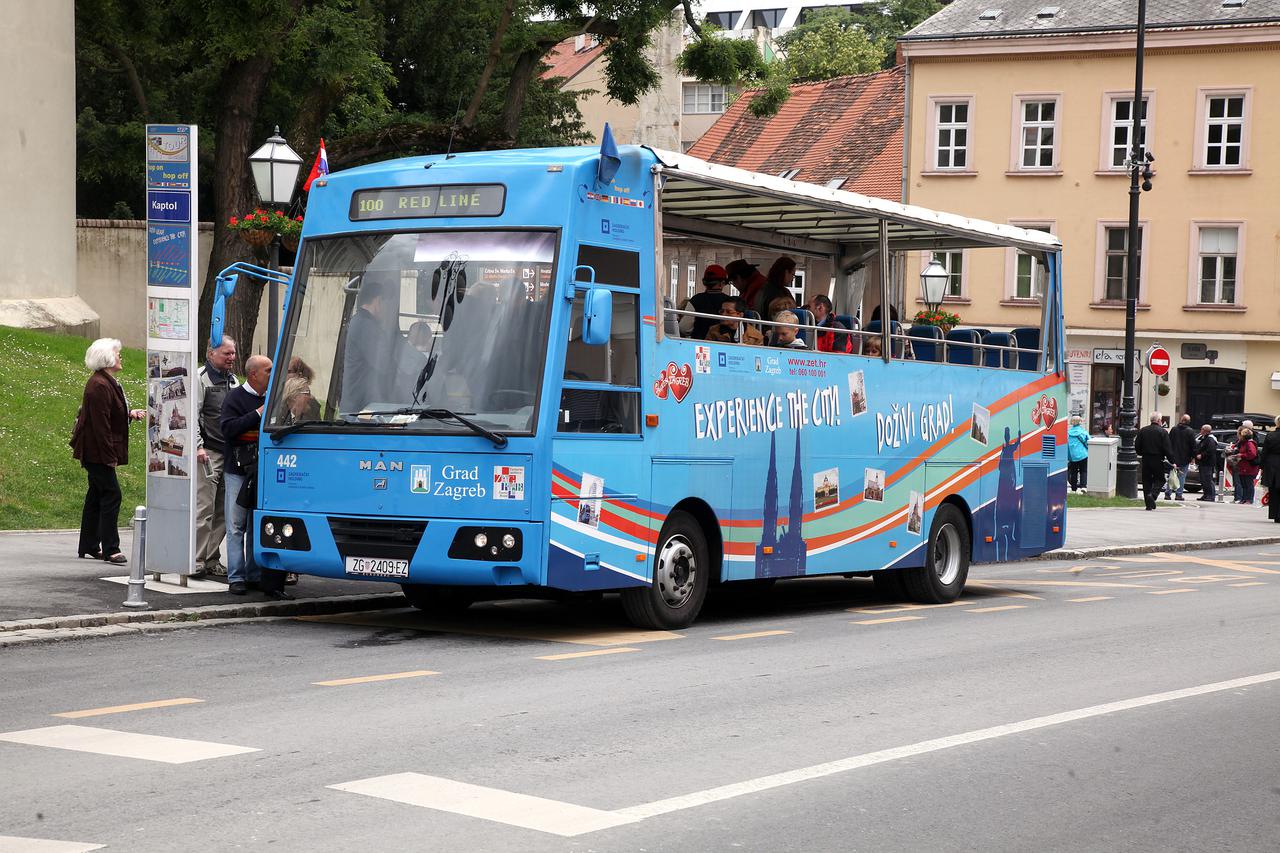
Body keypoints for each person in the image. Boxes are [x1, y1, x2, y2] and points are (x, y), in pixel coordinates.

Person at [219, 355, 289, 598]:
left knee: (255, 524)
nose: (273, 374)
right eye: (268, 370)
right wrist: (259, 413)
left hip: (263, 470)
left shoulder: (273, 399)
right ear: (253, 374)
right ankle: (236, 577)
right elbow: (228, 429)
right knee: (236, 525)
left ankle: (254, 574)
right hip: (238, 471)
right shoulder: (235, 398)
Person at [70, 338, 145, 564]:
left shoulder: (105, 382)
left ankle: (89, 545)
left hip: (96, 451)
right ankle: (111, 548)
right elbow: (100, 426)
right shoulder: (100, 385)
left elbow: (109, 414)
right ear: (107, 358)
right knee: (112, 494)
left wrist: (129, 414)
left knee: (97, 494)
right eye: (117, 353)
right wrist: (109, 457)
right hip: (96, 453)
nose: (120, 356)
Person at [341, 271, 421, 411]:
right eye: (386, 304)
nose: (386, 310)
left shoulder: (360, 322)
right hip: (361, 410)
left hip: (362, 405)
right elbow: (385, 364)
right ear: (378, 301)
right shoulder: (366, 326)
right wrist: (414, 371)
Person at [193, 336, 239, 578]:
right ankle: (196, 559)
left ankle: (211, 558)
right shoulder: (200, 378)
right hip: (208, 453)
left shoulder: (233, 380)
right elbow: (193, 415)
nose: (232, 358)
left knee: (223, 508)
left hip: (228, 452)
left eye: (233, 353)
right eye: (226, 353)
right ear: (211, 353)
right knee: (204, 507)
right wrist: (198, 447)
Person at [1134, 412, 1175, 511]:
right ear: (1159, 420)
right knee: (1160, 479)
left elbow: (1137, 445)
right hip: (1158, 459)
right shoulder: (1163, 432)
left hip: (1146, 458)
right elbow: (1167, 448)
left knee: (1146, 481)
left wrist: (1141, 452)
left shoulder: (1143, 430)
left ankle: (1148, 504)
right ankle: (1152, 495)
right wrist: (1172, 461)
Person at [1166, 413, 1197, 501]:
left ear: (1181, 420)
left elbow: (1168, 442)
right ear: (1188, 422)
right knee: (1181, 477)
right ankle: (1178, 494)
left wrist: (1169, 454)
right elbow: (1193, 445)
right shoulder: (1190, 431)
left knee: (1172, 475)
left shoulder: (1174, 429)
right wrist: (1193, 457)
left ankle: (1168, 493)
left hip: (1173, 457)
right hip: (1185, 458)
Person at [1232, 426, 1260, 505]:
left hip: (1249, 467)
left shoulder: (1249, 443)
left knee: (1248, 483)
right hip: (1243, 467)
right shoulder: (1243, 443)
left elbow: (1252, 454)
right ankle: (1244, 499)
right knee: (1244, 483)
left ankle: (1249, 499)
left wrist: (1241, 455)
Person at [1260, 416, 1280, 522]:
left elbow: (1264, 452)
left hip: (1271, 464)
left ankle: (1274, 514)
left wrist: (1261, 466)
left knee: (1273, 491)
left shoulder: (1270, 435)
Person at [1195, 423, 1219, 502]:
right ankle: (1206, 494)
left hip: (1207, 463)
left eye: (1202, 429)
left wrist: (1202, 455)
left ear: (1206, 431)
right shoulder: (1204, 438)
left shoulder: (1210, 439)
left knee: (1208, 479)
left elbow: (1210, 450)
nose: (1201, 430)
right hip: (1203, 462)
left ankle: (1210, 495)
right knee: (1203, 480)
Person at [1067, 415, 1089, 492]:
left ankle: (1073, 488)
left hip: (1072, 456)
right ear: (1080, 422)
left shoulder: (1068, 433)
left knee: (1073, 471)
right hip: (1083, 454)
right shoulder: (1083, 432)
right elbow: (1089, 442)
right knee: (1083, 470)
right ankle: (1083, 486)